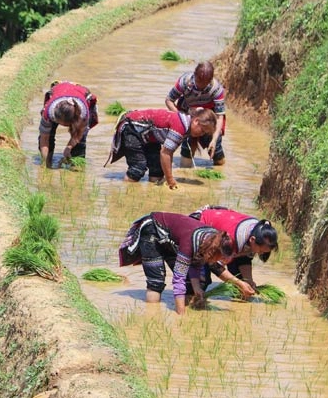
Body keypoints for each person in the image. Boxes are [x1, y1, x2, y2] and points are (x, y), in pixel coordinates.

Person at [118, 212, 274, 314]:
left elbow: (197, 262)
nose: (215, 263)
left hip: (171, 238)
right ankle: (152, 317)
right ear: (212, 253)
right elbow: (178, 279)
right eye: (216, 260)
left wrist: (197, 287)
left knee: (191, 284)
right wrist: (180, 315)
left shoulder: (212, 241)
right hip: (152, 231)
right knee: (156, 282)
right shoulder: (189, 245)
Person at [104, 107, 216, 189]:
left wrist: (168, 177)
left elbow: (168, 153)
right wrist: (170, 180)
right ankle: (127, 192)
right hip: (132, 128)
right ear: (196, 121)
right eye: (202, 131)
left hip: (150, 136)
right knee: (138, 168)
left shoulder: (186, 126)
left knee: (157, 171)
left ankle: (152, 195)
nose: (201, 134)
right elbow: (165, 153)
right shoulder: (181, 126)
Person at [189, 205, 279, 290]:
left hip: (225, 232)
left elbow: (244, 258)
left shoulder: (258, 231)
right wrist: (238, 283)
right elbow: (214, 265)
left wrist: (249, 281)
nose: (260, 253)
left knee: (241, 285)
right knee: (201, 281)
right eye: (260, 250)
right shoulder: (232, 239)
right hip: (200, 225)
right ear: (252, 239)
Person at [165, 60, 226, 167]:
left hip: (208, 120)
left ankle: (217, 154)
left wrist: (214, 140)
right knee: (187, 152)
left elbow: (219, 116)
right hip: (188, 115)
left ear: (210, 80)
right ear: (194, 75)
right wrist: (181, 117)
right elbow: (169, 100)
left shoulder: (216, 89)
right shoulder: (185, 82)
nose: (200, 86)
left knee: (217, 156)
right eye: (198, 82)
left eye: (204, 84)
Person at [38, 81, 98, 169]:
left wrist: (68, 148)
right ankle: (48, 162)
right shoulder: (49, 112)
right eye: (57, 121)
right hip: (61, 92)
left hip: (80, 96)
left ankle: (76, 167)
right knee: (49, 137)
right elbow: (44, 139)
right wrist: (45, 164)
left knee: (79, 145)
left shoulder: (83, 115)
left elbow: (78, 135)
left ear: (71, 122)